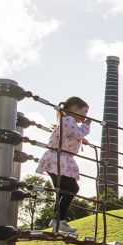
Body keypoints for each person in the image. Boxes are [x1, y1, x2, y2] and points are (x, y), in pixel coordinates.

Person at [35, 96, 91, 235]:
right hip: (58, 158)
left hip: (59, 158)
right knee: (71, 188)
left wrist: (81, 140)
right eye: (84, 112)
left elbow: (71, 135)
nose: (85, 116)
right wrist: (87, 125)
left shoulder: (67, 121)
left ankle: (58, 221)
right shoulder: (68, 120)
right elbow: (77, 132)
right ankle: (59, 220)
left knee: (62, 190)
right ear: (74, 109)